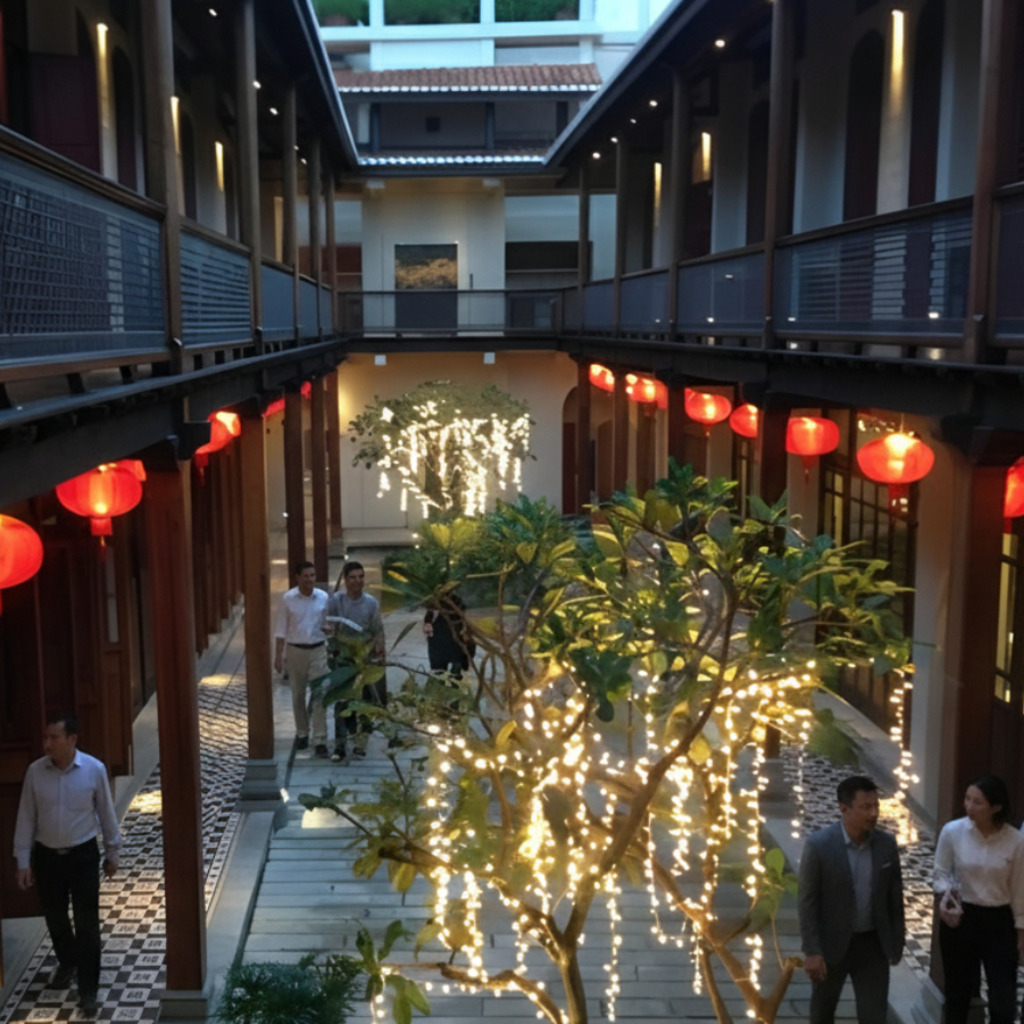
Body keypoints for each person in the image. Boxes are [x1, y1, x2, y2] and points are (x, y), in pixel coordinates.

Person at [13, 713, 122, 1015]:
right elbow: (26, 817)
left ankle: (88, 989)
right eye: (46, 737)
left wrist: (113, 853)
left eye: (54, 738)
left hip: (83, 856)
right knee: (55, 918)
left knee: (87, 923)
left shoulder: (93, 769)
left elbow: (106, 813)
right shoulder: (36, 772)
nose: (47, 743)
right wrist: (23, 861)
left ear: (72, 739)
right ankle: (68, 961)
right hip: (47, 857)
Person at [798, 774, 905, 1024]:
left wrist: (896, 940)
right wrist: (812, 950)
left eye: (876, 806)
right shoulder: (819, 846)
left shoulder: (886, 845)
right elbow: (807, 903)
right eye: (865, 807)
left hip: (872, 945)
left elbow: (894, 897)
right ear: (843, 808)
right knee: (823, 1013)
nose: (873, 814)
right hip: (831, 945)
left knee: (874, 1016)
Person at [933, 774, 1024, 1024]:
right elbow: (940, 873)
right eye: (967, 799)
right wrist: (946, 895)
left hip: (999, 920)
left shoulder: (1016, 841)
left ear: (996, 807)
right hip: (962, 918)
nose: (969, 807)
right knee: (957, 995)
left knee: (1003, 1000)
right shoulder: (953, 832)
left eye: (978, 802)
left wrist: (1020, 930)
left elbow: (1019, 889)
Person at [327, 560, 386, 761]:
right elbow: (328, 626)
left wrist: (380, 650)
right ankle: (340, 746)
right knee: (342, 702)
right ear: (345, 580)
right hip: (343, 660)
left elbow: (378, 629)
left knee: (365, 702)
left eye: (361, 577)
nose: (357, 581)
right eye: (353, 577)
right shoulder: (336, 601)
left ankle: (361, 744)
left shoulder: (371, 603)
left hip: (365, 660)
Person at [274, 560, 330, 757]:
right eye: (306, 576)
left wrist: (330, 630)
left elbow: (329, 622)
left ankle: (320, 738)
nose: (309, 580)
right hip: (295, 651)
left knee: (319, 694)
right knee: (298, 695)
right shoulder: (288, 599)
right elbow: (281, 629)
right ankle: (302, 733)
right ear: (298, 577)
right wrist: (278, 656)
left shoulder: (323, 597)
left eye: (312, 575)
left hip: (318, 650)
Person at [423, 591, 475, 680]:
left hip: (445, 642)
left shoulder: (436, 604)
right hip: (447, 642)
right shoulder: (456, 602)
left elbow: (428, 621)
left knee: (441, 672)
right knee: (450, 669)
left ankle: (449, 683)